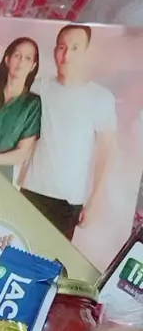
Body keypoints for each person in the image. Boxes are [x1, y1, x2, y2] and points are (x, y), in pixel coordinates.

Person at [20, 24, 118, 241]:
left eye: (75, 48)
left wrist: (95, 201)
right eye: (62, 47)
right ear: (55, 50)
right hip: (31, 189)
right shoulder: (38, 87)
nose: (66, 56)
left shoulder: (101, 98)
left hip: (68, 200)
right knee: (14, 249)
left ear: (86, 52)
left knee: (51, 259)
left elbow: (106, 153)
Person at [0, 37, 41, 182]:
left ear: (33, 66)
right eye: (17, 56)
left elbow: (22, 153)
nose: (21, 62)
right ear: (7, 60)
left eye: (27, 58)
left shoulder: (32, 104)